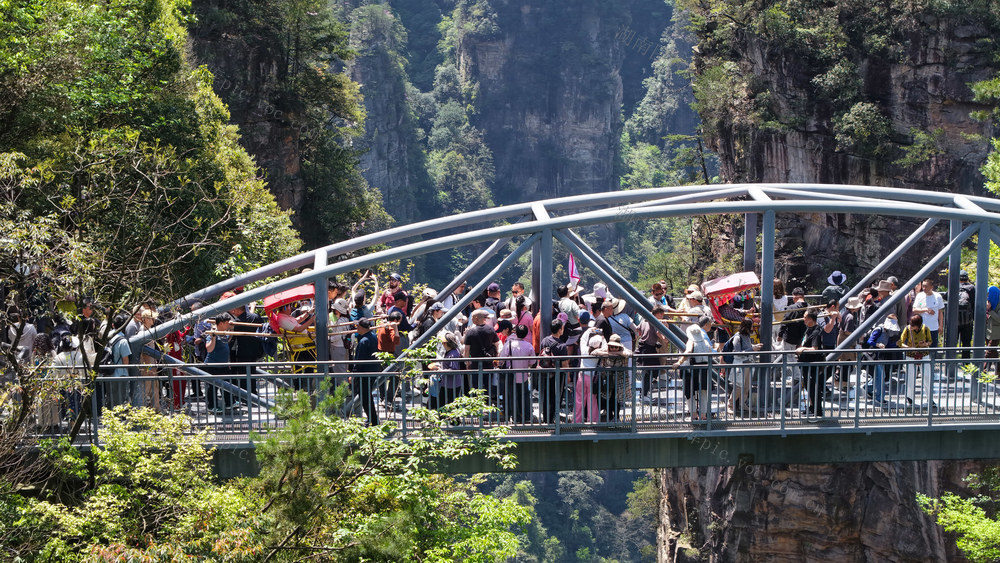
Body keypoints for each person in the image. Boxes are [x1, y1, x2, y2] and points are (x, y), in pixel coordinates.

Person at [673, 316, 717, 421]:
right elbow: (711, 353)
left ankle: (693, 415)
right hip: (704, 370)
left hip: (692, 371)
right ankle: (703, 415)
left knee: (690, 393)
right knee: (703, 392)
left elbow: (688, 352)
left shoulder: (691, 341)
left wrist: (679, 362)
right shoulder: (706, 342)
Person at [498, 324, 535, 423]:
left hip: (511, 374)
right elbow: (532, 362)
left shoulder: (509, 344)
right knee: (525, 396)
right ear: (526, 334)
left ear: (516, 333)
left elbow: (501, 359)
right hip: (523, 375)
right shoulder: (529, 346)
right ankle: (527, 416)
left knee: (513, 396)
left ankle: (516, 417)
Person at [795, 309, 827, 419]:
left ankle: (817, 410)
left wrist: (803, 349)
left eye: (805, 317)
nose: (803, 319)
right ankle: (812, 407)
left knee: (814, 387)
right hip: (805, 363)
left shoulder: (816, 331)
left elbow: (815, 348)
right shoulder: (808, 329)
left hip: (813, 365)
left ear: (810, 319)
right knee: (809, 386)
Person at [592, 334, 631, 421]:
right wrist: (608, 354)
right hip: (607, 379)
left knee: (616, 399)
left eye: (615, 347)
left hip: (619, 380)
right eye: (611, 347)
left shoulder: (623, 349)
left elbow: (629, 353)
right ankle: (609, 417)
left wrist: (616, 354)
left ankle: (616, 417)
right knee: (607, 398)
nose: (613, 349)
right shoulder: (605, 348)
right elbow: (594, 352)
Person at [865, 314, 902, 405]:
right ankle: (880, 398)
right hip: (875, 356)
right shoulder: (879, 329)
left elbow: (887, 345)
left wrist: (896, 344)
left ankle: (868, 387)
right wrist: (877, 345)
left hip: (881, 356)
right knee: (881, 377)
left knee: (880, 375)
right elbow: (869, 341)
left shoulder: (888, 332)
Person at [898, 314, 934, 410]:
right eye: (911, 324)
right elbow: (900, 342)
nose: (911, 326)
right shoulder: (907, 329)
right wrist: (909, 348)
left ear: (918, 325)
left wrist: (925, 344)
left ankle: (930, 398)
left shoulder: (926, 329)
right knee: (910, 377)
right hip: (911, 355)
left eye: (913, 325)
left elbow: (930, 341)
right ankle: (909, 397)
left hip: (924, 354)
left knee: (927, 376)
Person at [636, 305, 670, 403]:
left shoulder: (645, 320)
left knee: (650, 371)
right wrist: (665, 331)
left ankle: (645, 392)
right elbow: (660, 335)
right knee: (649, 372)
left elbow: (638, 329)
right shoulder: (655, 321)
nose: (662, 316)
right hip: (648, 348)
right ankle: (644, 394)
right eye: (662, 314)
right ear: (658, 314)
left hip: (643, 346)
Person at [726, 318, 760, 416]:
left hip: (748, 363)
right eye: (751, 326)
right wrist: (752, 349)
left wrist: (753, 347)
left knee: (746, 386)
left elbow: (746, 348)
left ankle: (742, 403)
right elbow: (738, 352)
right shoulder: (737, 337)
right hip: (740, 364)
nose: (753, 328)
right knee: (738, 386)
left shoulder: (746, 336)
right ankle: (730, 405)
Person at [204, 313, 236, 415]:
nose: (228, 324)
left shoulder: (223, 333)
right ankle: (212, 406)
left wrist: (232, 329)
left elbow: (228, 340)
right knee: (212, 387)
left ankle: (230, 403)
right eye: (227, 323)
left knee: (227, 384)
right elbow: (209, 349)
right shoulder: (212, 333)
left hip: (223, 364)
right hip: (213, 365)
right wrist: (213, 337)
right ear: (221, 323)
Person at [538, 319, 569, 423]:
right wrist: (568, 375)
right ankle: (552, 419)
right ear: (560, 330)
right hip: (558, 375)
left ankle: (546, 418)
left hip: (545, 373)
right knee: (556, 396)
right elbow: (565, 364)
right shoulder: (562, 346)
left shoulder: (545, 341)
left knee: (547, 395)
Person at [350, 318, 379, 426]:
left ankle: (373, 421)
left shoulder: (363, 341)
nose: (356, 328)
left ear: (362, 327)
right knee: (367, 396)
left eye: (357, 326)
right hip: (372, 370)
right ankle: (371, 419)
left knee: (365, 397)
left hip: (364, 372)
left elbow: (359, 360)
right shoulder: (373, 336)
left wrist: (353, 374)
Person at [463, 309, 499, 392]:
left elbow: (467, 350)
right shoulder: (491, 329)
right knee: (488, 386)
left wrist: (467, 363)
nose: (471, 319)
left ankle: (476, 399)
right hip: (488, 362)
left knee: (475, 387)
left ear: (476, 318)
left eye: (472, 317)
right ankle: (488, 399)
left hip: (475, 364)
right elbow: (496, 345)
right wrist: (496, 359)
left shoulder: (470, 332)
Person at [911, 278, 944, 360]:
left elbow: (940, 312)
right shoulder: (920, 295)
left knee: (933, 348)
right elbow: (914, 310)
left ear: (931, 287)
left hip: (933, 327)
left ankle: (932, 365)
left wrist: (941, 325)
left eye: (926, 286)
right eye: (923, 286)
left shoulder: (938, 296)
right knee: (920, 348)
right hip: (921, 327)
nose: (924, 288)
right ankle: (920, 365)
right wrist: (925, 310)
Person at [956, 270, 976, 360]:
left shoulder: (955, 286)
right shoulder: (972, 288)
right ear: (967, 278)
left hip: (955, 320)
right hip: (968, 320)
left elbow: (946, 296)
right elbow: (974, 302)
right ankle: (966, 364)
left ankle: (950, 363)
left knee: (952, 342)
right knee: (966, 342)